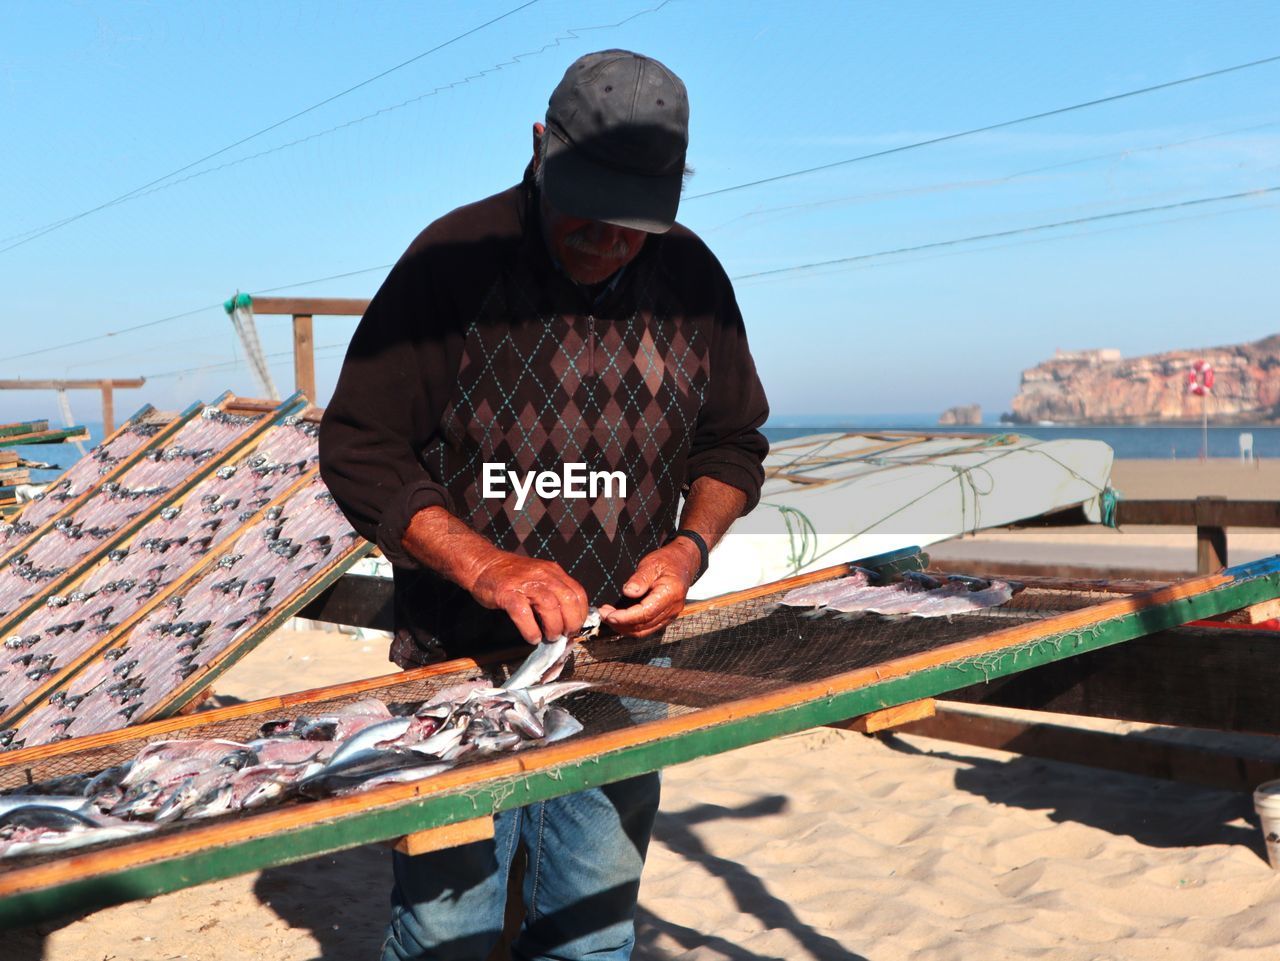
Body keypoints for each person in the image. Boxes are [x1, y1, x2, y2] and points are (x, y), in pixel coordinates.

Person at [319, 49, 769, 961]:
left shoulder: (694, 279)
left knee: (591, 932)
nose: (607, 244)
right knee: (448, 929)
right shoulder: (450, 263)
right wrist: (484, 563)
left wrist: (689, 548)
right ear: (539, 146)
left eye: (632, 226)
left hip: (622, 668)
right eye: (587, 217)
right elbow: (358, 446)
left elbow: (732, 446)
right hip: (456, 668)